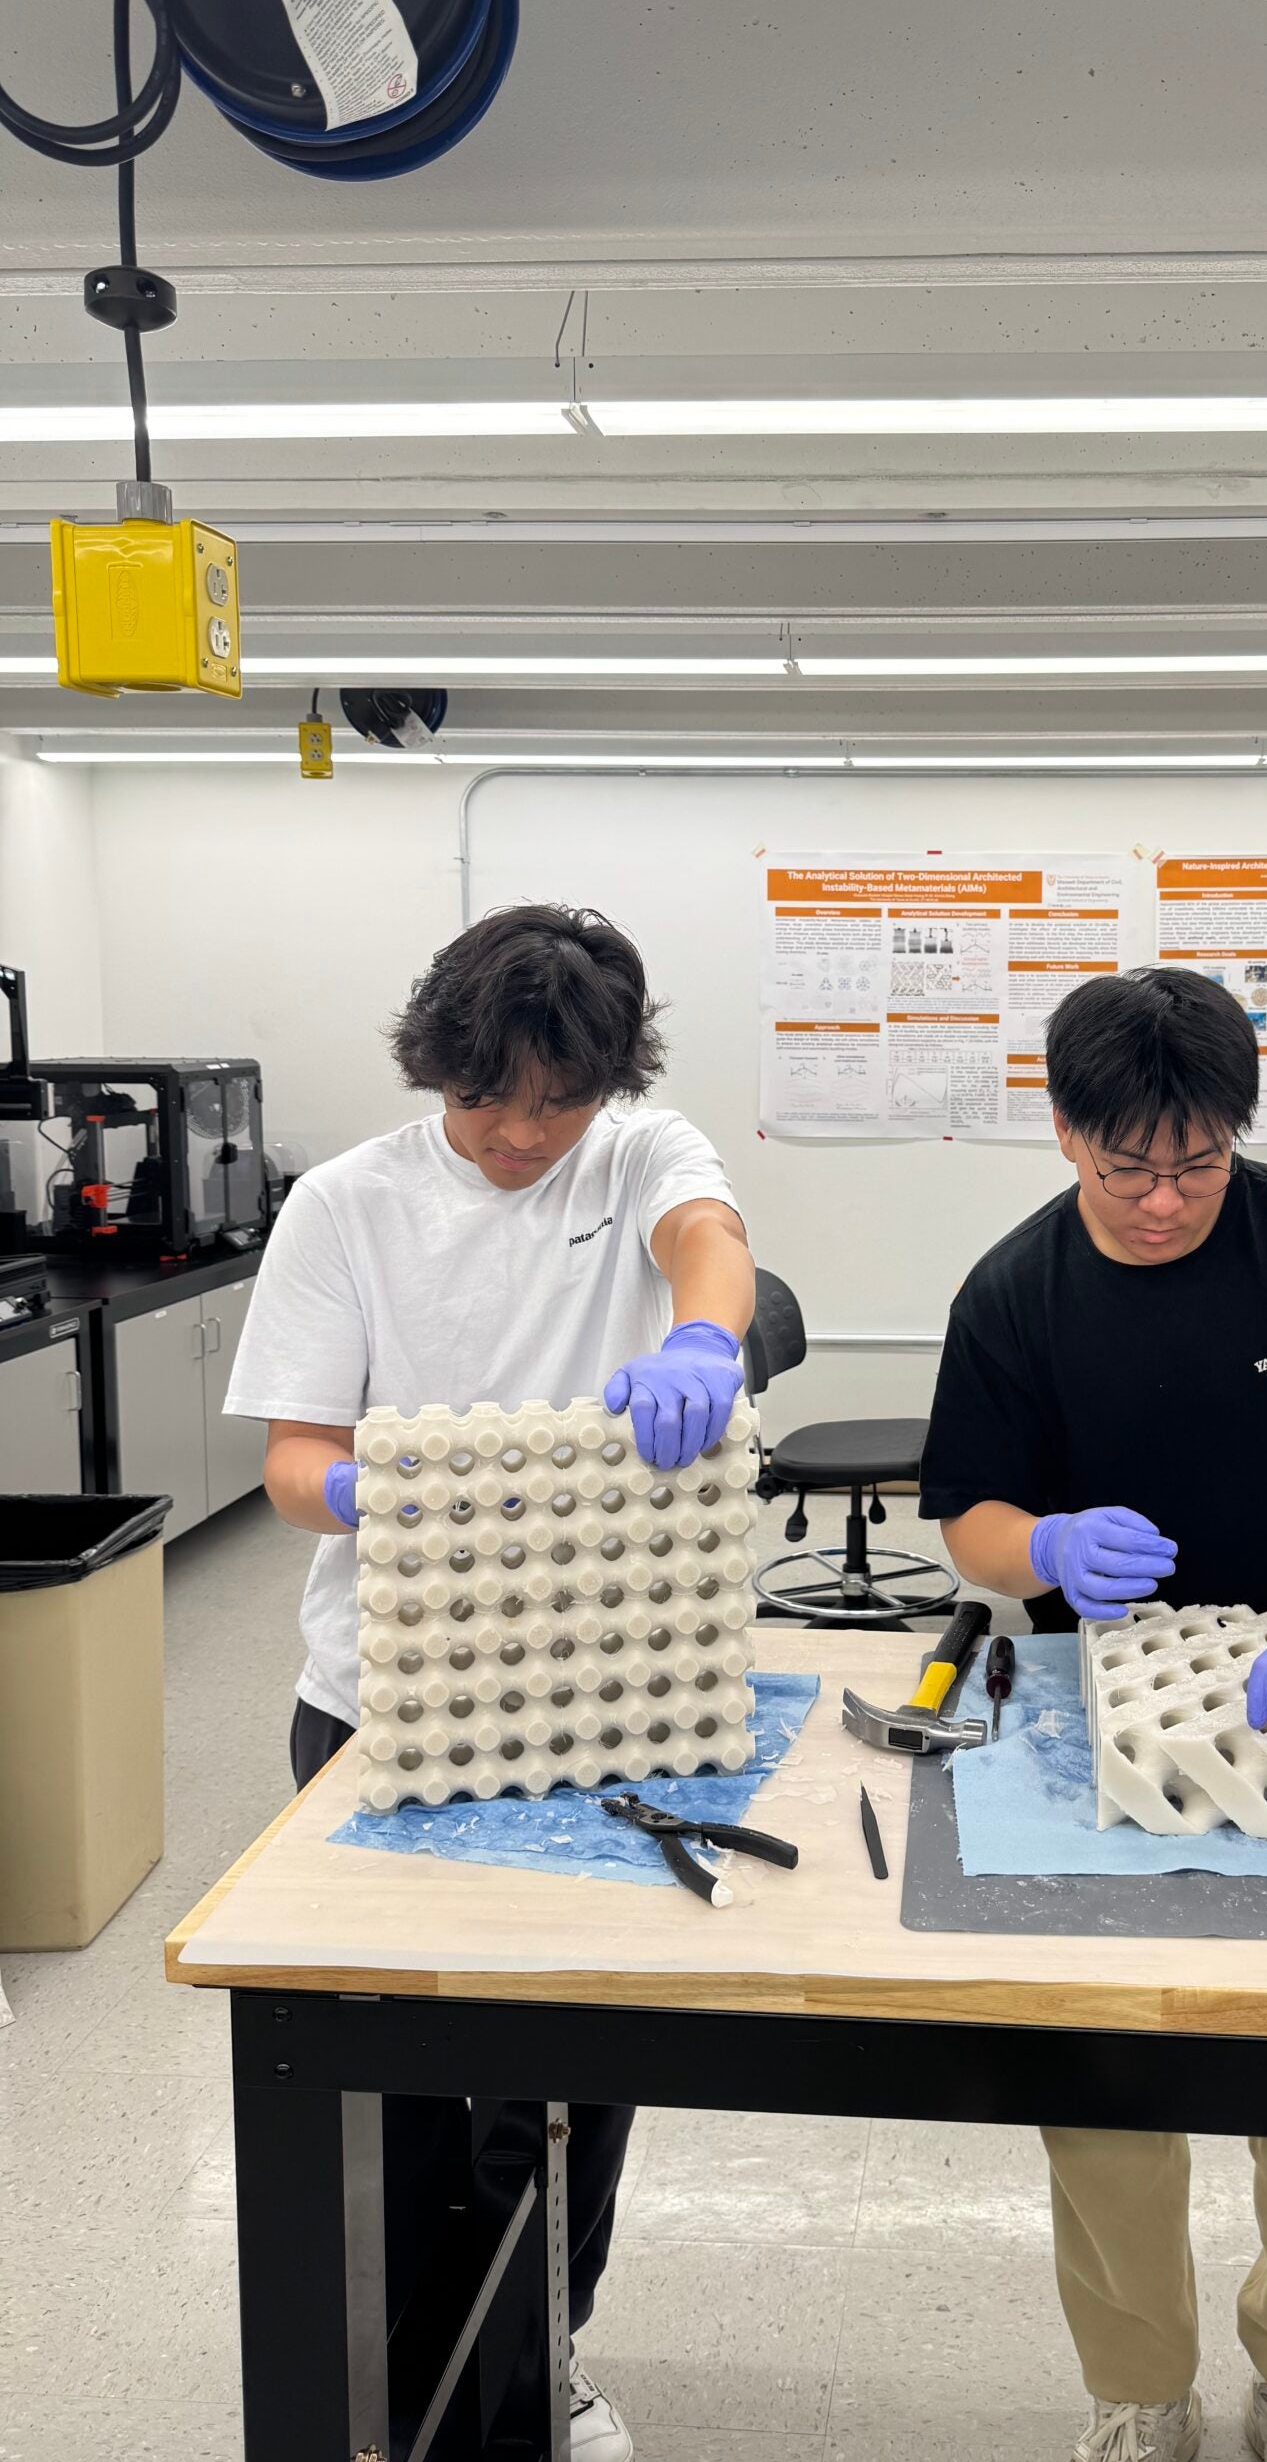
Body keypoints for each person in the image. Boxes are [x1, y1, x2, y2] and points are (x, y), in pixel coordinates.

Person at [917, 966, 1267, 2462]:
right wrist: (1041, 1547)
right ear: (1065, 1132)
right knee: (1107, 2084)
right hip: (1102, 1716)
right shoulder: (1014, 1290)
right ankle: (1138, 2389)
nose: (1167, 1200)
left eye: (1199, 1164)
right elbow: (969, 1517)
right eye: (1130, 1168)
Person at [224, 902, 755, 2462]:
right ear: (435, 1064)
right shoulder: (347, 1205)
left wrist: (705, 1345)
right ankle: (405, 2374)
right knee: (390, 2077)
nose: (522, 1134)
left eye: (559, 1102)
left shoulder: (639, 1156)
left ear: (609, 1086)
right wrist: (380, 1493)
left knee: (569, 2075)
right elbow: (294, 1463)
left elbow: (709, 1244)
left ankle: (537, 2355)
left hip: (599, 1701)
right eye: (487, 1098)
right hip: (388, 1697)